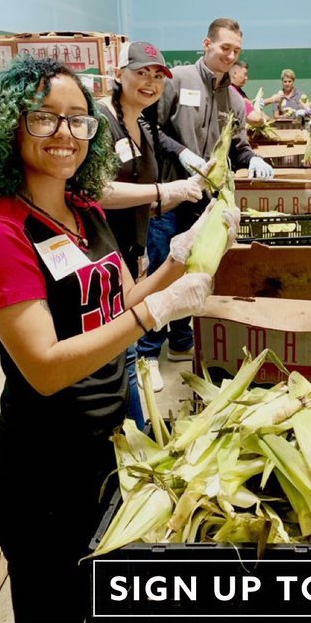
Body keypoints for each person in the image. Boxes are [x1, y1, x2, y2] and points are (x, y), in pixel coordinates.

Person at [0, 57, 218, 623]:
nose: (65, 134)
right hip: (45, 470)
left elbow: (122, 303)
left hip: (107, 449)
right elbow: (46, 368)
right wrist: (155, 316)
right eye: (45, 118)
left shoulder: (84, 211)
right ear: (11, 124)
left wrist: (180, 259)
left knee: (102, 600)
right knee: (56, 608)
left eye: (79, 120)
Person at [140, 18, 272, 366]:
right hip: (170, 195)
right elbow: (148, 126)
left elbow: (237, 146)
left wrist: (253, 158)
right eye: (224, 47)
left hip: (204, 201)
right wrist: (182, 153)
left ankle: (182, 340)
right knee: (162, 268)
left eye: (236, 50)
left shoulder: (232, 97)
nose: (229, 55)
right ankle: (149, 352)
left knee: (194, 270)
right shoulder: (178, 79)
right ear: (207, 44)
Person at [99, 41, 204, 406]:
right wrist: (165, 188)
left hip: (130, 251)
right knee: (114, 353)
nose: (150, 82)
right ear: (118, 74)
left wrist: (186, 194)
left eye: (157, 75)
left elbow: (146, 198)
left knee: (122, 351)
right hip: (100, 253)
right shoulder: (100, 121)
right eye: (141, 72)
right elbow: (97, 192)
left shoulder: (142, 124)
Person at [229, 60, 266, 126]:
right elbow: (256, 119)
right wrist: (263, 121)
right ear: (235, 74)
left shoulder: (240, 91)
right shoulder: (233, 93)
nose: (246, 78)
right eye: (245, 74)